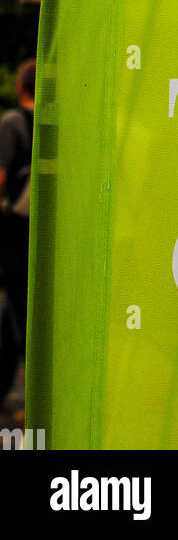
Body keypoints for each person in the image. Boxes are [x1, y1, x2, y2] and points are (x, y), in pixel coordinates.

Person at [0, 58, 35, 408]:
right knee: (16, 308)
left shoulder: (12, 122)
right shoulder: (57, 123)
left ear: (20, 87)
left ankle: (37, 403)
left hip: (16, 230)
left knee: (23, 314)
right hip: (46, 230)